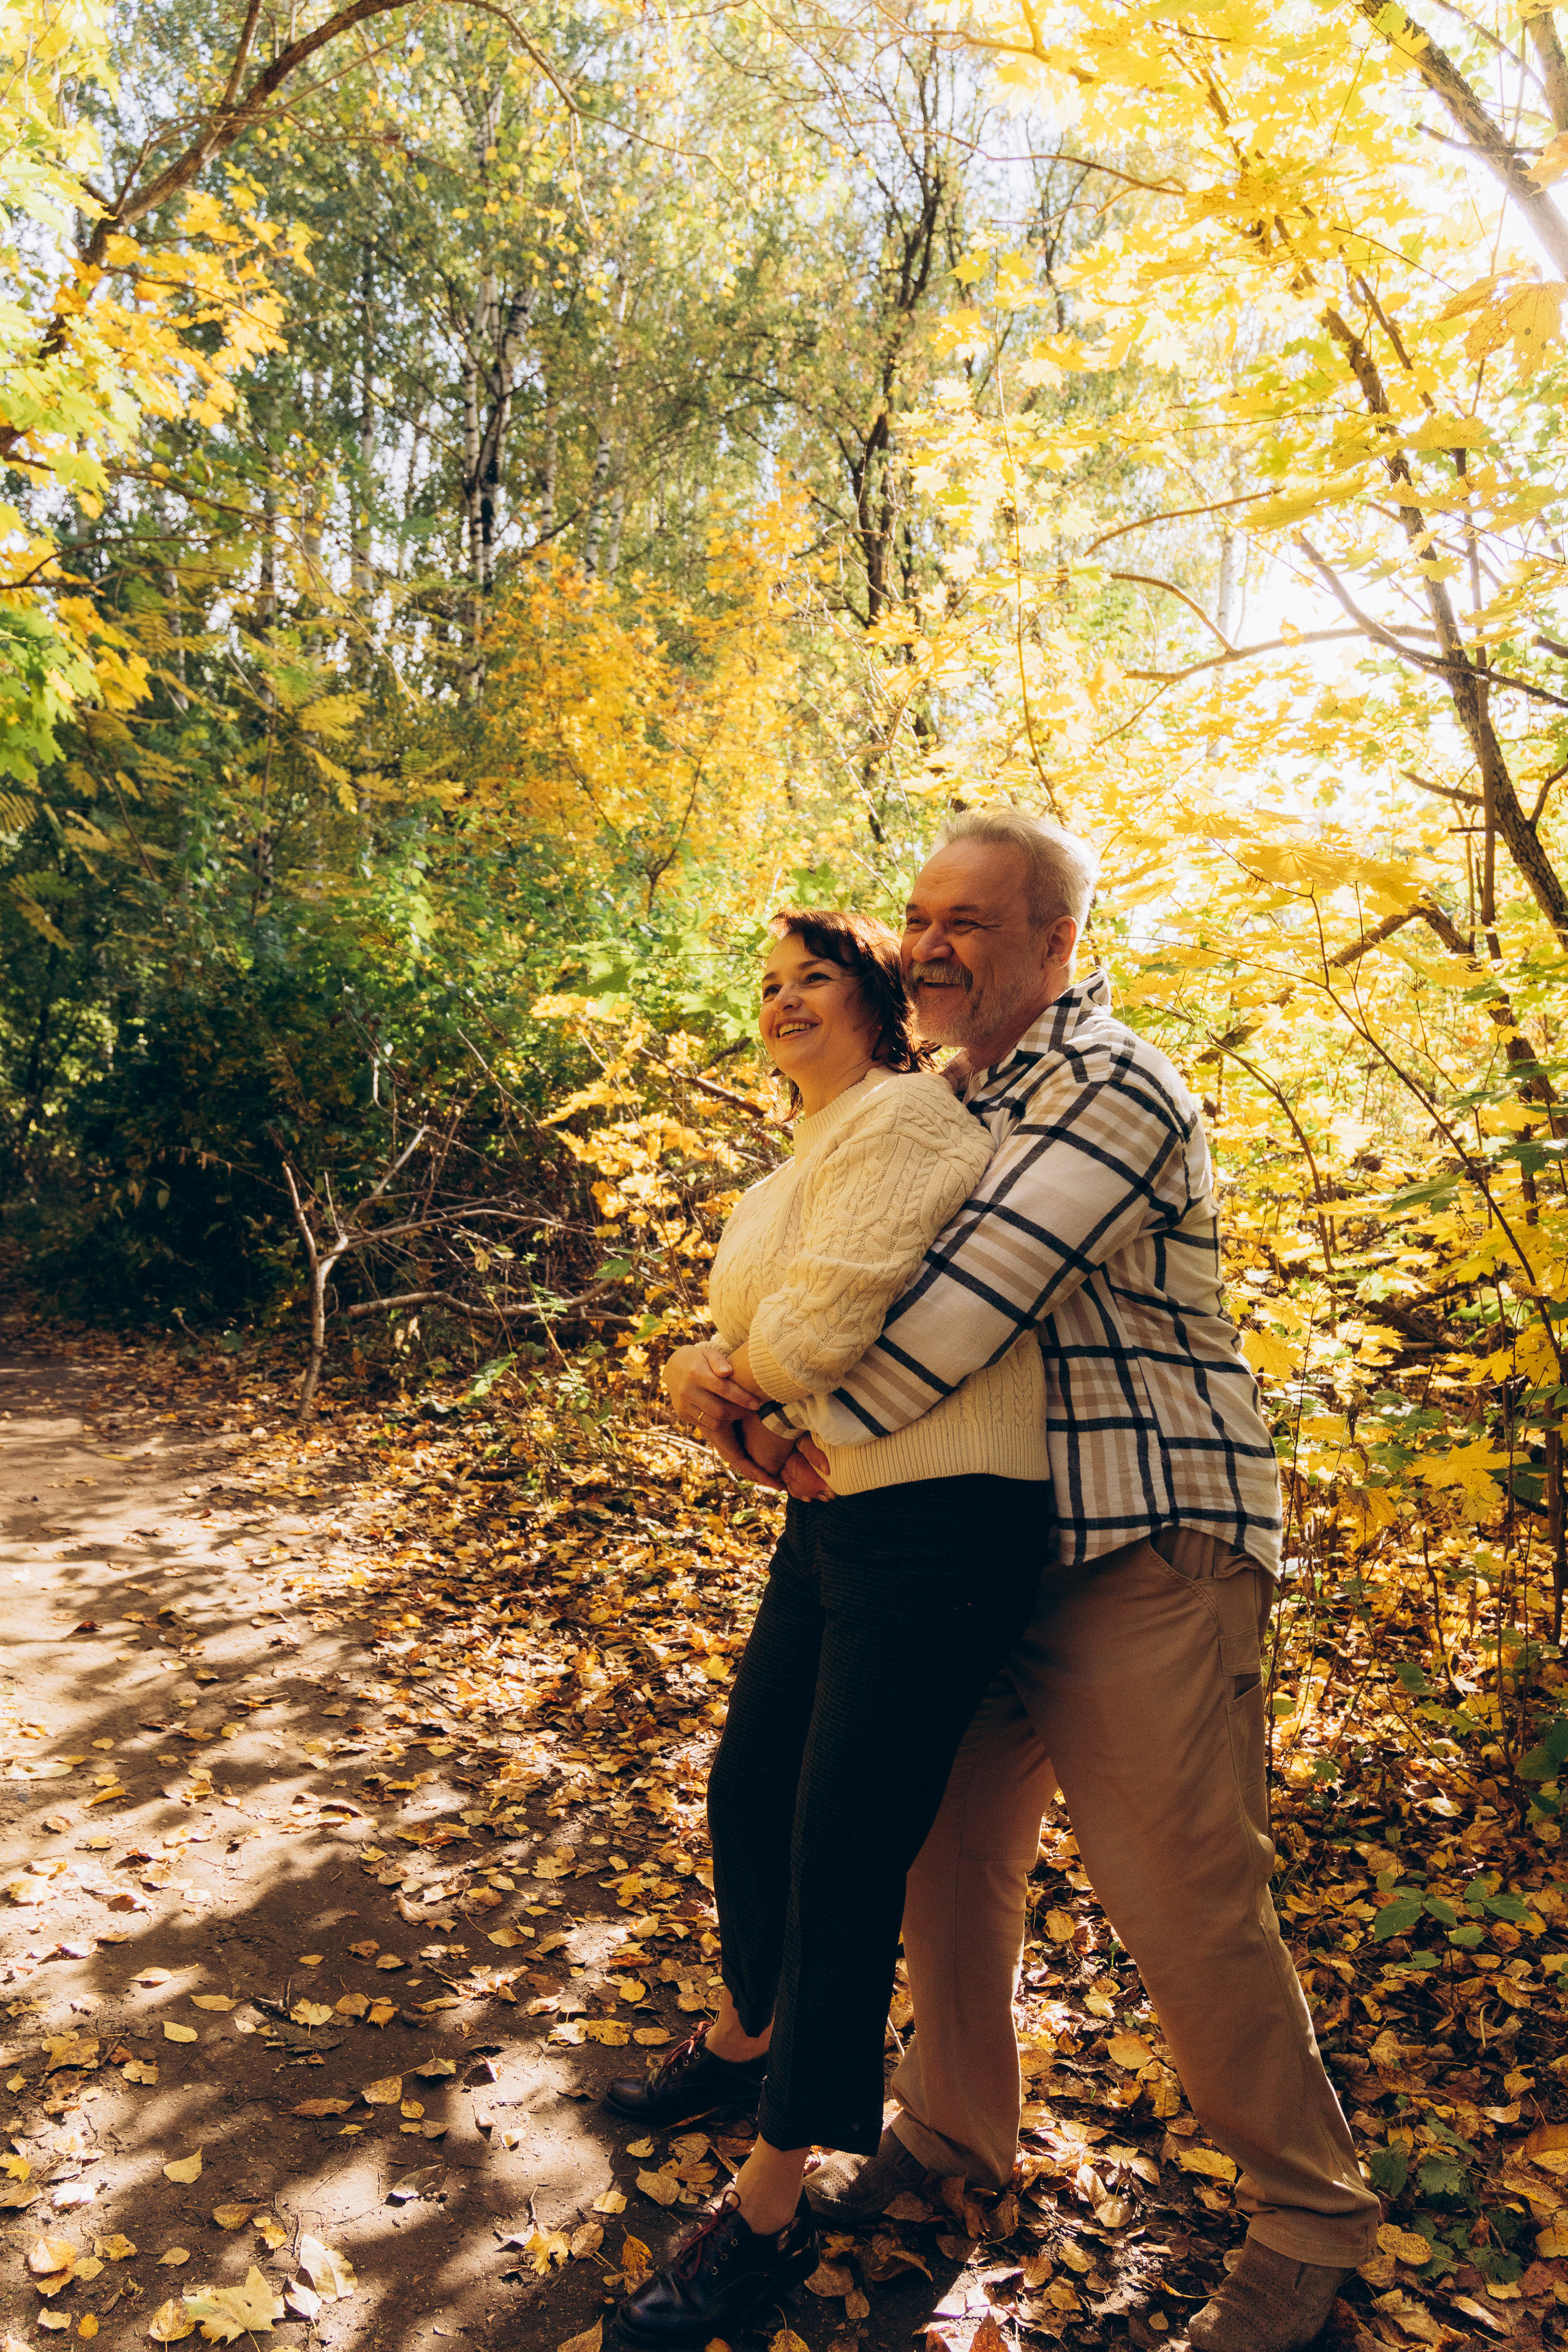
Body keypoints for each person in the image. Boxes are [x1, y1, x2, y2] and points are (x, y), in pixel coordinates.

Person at [671, 811, 1381, 2352]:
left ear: (1057, 944)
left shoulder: (1106, 1081)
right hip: (980, 1542)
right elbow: (827, 1269)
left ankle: (1310, 2220)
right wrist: (750, 1395)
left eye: (972, 923)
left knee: (1181, 1893)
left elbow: (960, 1305)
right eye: (919, 917)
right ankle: (949, 2141)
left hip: (1141, 1538)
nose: (927, 945)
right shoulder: (945, 1096)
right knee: (941, 1864)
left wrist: (782, 1423)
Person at [608, 907, 1052, 2347]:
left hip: (943, 1530)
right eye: (768, 984)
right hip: (838, 1514)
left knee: (840, 1851)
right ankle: (752, 2037)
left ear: (873, 1002)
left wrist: (723, 1379)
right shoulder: (801, 1159)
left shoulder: (908, 1123)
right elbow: (731, 1336)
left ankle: (768, 2207)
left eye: (814, 978)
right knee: (749, 1794)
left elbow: (802, 1339)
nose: (784, 998)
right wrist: (697, 1369)